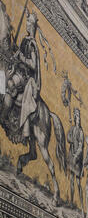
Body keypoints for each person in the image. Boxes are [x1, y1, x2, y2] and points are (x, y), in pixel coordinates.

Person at [0, 10, 41, 139]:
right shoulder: (25, 40)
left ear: (32, 25)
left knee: (10, 83)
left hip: (25, 76)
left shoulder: (32, 44)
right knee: (3, 73)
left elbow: (33, 65)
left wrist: (22, 57)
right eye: (27, 21)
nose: (27, 24)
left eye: (29, 21)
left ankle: (4, 115)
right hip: (18, 69)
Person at [67, 108, 84, 213]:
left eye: (77, 116)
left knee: (78, 183)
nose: (76, 118)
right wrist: (70, 135)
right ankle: (72, 202)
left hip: (77, 159)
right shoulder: (72, 129)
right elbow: (68, 139)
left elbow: (81, 146)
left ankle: (82, 205)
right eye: (75, 116)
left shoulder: (81, 132)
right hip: (71, 155)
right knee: (72, 181)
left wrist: (76, 156)